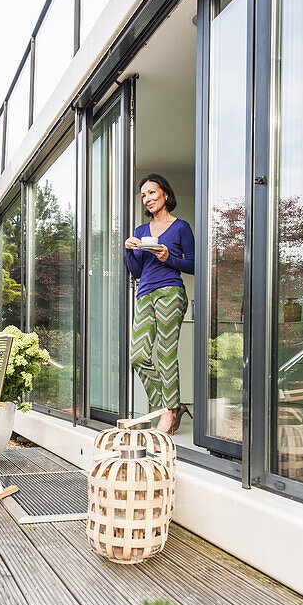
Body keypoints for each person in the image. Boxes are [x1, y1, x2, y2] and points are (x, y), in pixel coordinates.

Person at [125, 174, 195, 435]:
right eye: (144, 195)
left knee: (166, 355)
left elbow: (194, 265)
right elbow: (136, 271)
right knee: (138, 355)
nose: (148, 199)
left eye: (152, 193)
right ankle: (172, 405)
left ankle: (167, 414)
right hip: (144, 294)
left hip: (170, 293)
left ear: (165, 194)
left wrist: (168, 257)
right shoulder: (141, 232)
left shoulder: (181, 228)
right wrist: (130, 250)